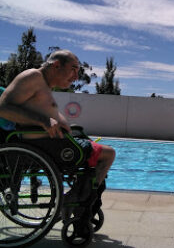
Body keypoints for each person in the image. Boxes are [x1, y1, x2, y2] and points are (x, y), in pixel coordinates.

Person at [0, 49, 115, 186]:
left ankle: (84, 200)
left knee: (95, 151)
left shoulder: (43, 84)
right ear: (56, 65)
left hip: (50, 144)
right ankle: (78, 201)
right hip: (45, 146)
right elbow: (3, 108)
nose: (76, 77)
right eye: (73, 69)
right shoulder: (33, 76)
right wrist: (43, 121)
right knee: (108, 154)